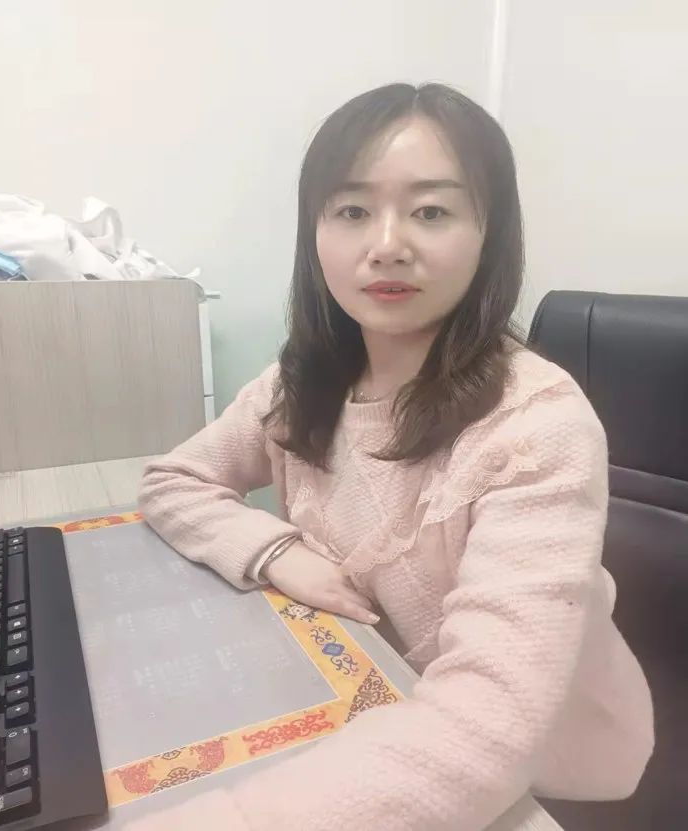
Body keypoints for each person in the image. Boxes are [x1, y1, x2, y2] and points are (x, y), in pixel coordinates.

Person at [134, 83, 653, 830]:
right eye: (351, 211)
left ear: (489, 234)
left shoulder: (538, 423)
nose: (386, 244)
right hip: (363, 690)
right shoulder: (301, 384)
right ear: (315, 232)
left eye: (431, 212)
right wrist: (274, 550)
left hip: (538, 766)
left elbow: (486, 729)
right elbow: (173, 479)